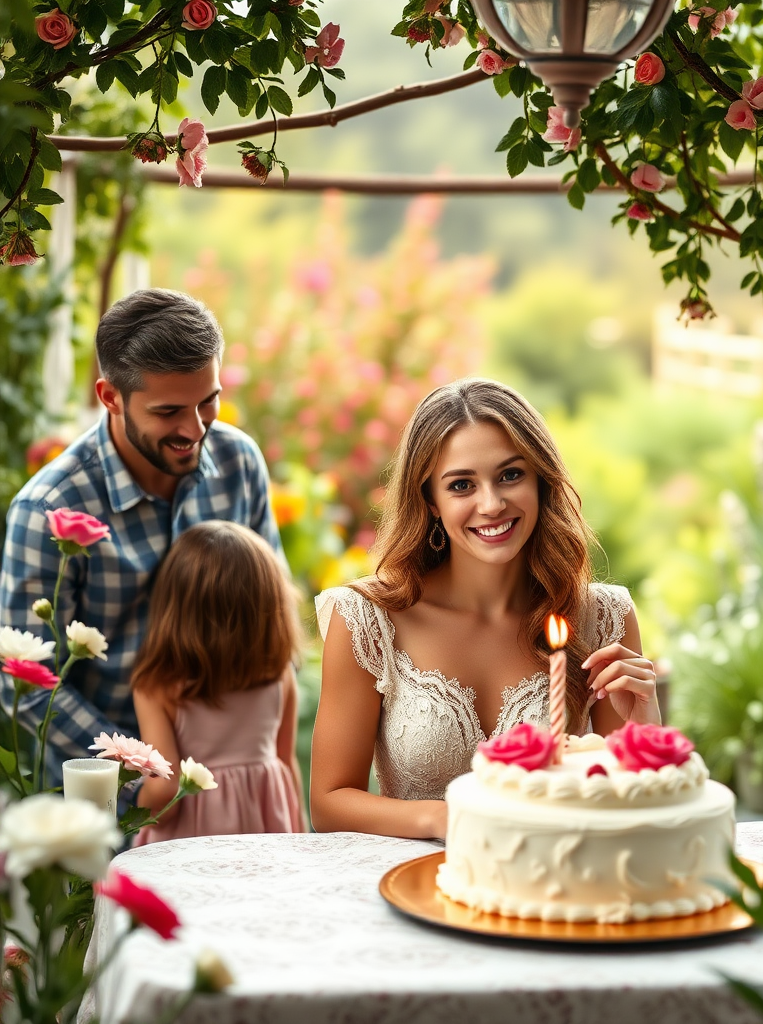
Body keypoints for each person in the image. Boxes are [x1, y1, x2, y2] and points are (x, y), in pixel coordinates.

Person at [310, 378, 660, 839]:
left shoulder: (602, 618)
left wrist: (645, 726)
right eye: (461, 485)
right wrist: (449, 818)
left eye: (511, 475)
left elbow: (633, 810)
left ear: (541, 480)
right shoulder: (368, 620)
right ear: (430, 501)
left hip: (556, 887)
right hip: (412, 889)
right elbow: (330, 802)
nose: (491, 504)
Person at [0, 288, 282, 782]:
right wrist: (144, 777)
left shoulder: (240, 463)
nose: (195, 429)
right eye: (168, 412)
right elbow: (25, 683)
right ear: (110, 397)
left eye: (208, 402)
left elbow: (271, 618)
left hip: (233, 770)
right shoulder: (48, 510)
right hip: (111, 795)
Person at [132, 521, 304, 842]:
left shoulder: (156, 686)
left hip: (192, 843)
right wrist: (300, 832)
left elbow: (165, 790)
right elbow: (286, 761)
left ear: (176, 607)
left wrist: (129, 810)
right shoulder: (280, 674)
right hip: (267, 831)